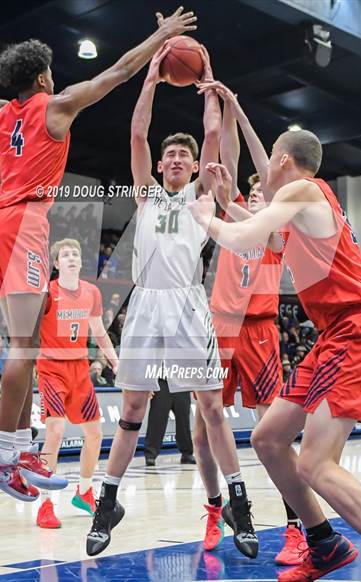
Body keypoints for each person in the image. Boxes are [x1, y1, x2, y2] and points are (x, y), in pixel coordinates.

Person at [0, 6, 196, 501]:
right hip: (26, 222)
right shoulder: (55, 106)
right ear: (42, 74)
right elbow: (119, 71)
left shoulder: (2, 112)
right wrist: (161, 35)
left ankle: (17, 450)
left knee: (28, 341)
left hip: (0, 225)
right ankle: (3, 455)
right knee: (25, 348)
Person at [190, 81, 361, 581]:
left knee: (316, 464)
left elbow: (243, 232)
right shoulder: (301, 205)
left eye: (271, 157)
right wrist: (237, 115)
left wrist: (205, 215)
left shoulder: (303, 190)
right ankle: (325, 544)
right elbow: (255, 222)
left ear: (285, 160)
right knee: (269, 437)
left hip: (356, 330)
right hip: (334, 334)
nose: (265, 165)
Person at [87, 43, 258, 560]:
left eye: (186, 155)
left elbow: (211, 133)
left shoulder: (200, 196)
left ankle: (238, 502)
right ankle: (108, 504)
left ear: (194, 166)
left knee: (210, 408)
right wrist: (151, 82)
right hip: (144, 306)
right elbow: (138, 133)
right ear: (161, 165)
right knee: (133, 408)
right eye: (172, 155)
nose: (179, 158)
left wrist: (206, 76)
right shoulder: (146, 193)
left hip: (186, 305)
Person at [197, 97, 304, 564]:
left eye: (263, 196)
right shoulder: (235, 207)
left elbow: (264, 222)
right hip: (219, 328)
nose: (255, 198)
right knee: (203, 431)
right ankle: (215, 509)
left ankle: (297, 524)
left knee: (270, 433)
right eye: (251, 194)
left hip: (260, 331)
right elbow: (232, 156)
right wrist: (226, 105)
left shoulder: (278, 233)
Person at [36, 238, 118, 528]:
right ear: (56, 264)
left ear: (81, 262)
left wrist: (114, 359)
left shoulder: (92, 292)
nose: (71, 258)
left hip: (79, 369)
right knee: (55, 432)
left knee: (95, 435)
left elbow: (98, 331)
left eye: (75, 254)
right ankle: (46, 503)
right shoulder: (47, 292)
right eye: (65, 255)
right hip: (51, 368)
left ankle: (84, 491)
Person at [144, 379, 195, 466]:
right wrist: (149, 383)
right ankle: (150, 454)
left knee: (184, 420)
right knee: (157, 419)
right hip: (162, 381)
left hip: (182, 382)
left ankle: (187, 454)